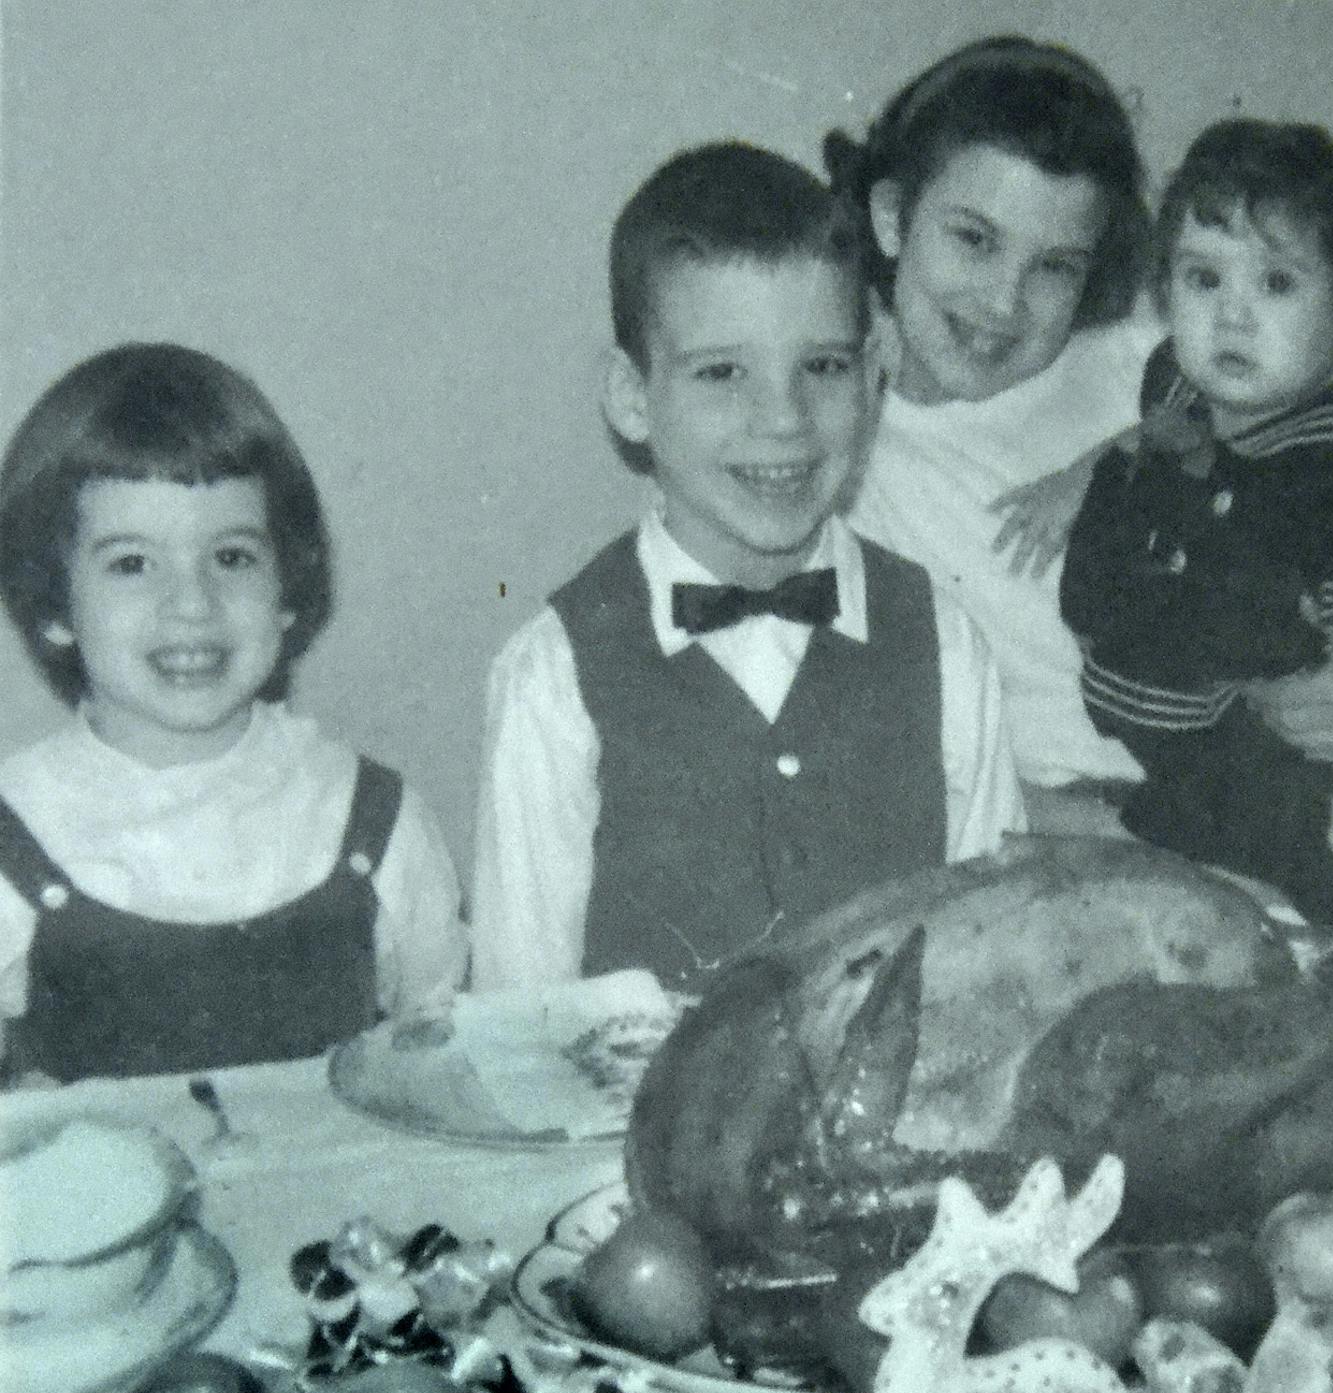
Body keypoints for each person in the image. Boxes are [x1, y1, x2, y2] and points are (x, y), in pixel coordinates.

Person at [471, 141, 1024, 992]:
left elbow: (993, 970)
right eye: (723, 373)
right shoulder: (554, 676)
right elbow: (522, 1017)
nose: (785, 420)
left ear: (874, 380)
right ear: (631, 398)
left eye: (824, 367)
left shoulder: (946, 645)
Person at [0, 343, 465, 1080]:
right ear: (54, 604)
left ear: (288, 585)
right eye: (131, 563)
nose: (192, 604)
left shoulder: (374, 821)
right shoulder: (15, 834)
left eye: (232, 557)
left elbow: (436, 1057)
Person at [1060, 121, 1333, 935]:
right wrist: (1070, 482)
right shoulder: (1190, 394)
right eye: (1203, 279)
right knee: (1194, 841)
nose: (1232, 315)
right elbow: (1163, 439)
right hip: (1230, 741)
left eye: (1276, 285)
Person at [829, 35, 1156, 820]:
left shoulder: (1142, 365)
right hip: (1049, 836)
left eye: (1055, 266)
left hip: (1258, 808)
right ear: (890, 219)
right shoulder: (847, 456)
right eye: (974, 239)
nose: (1005, 302)